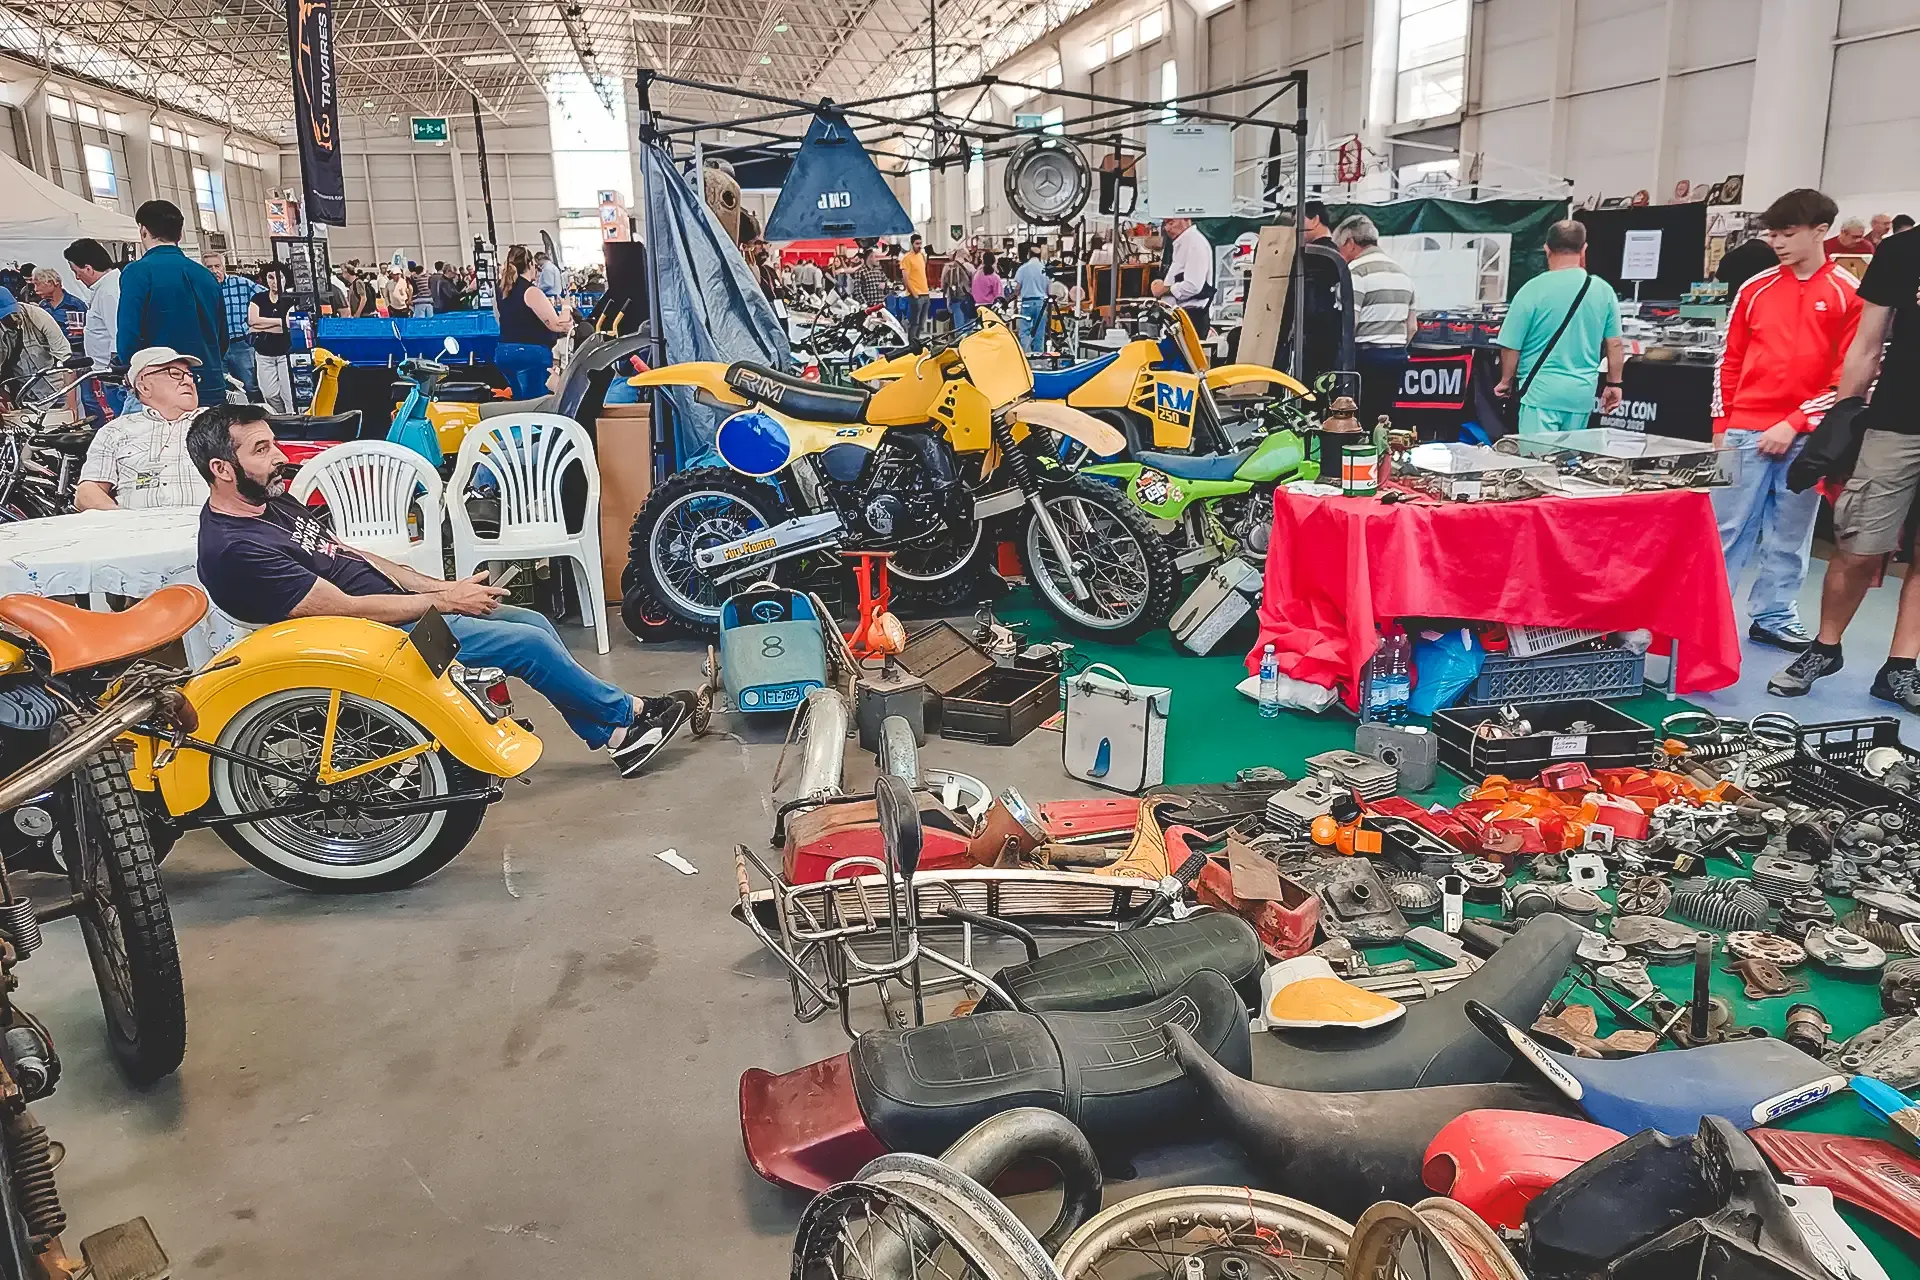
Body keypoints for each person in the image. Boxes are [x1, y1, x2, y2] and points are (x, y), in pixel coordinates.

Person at [187, 404, 692, 774]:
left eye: (273, 443)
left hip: (395, 615)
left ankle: (615, 733)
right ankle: (628, 715)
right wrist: (446, 602)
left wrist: (443, 587)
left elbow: (354, 556)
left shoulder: (269, 502)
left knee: (533, 622)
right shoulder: (235, 547)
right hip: (369, 640)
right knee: (528, 645)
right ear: (221, 470)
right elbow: (348, 609)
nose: (279, 457)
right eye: (261, 450)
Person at [1769, 204, 1920, 707]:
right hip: (1897, 419)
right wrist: (1842, 419)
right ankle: (1825, 646)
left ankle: (1901, 667)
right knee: (1857, 545)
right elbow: (1866, 344)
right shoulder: (1902, 251)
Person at [1710, 188, 1861, 653]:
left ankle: (1774, 615)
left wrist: (1796, 421)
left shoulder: (1848, 292)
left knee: (1790, 531)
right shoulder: (1754, 289)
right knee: (1724, 529)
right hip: (1743, 430)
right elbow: (1728, 360)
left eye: (1788, 233)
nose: (1777, 242)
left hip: (1808, 436)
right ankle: (1708, 617)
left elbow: (1851, 375)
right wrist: (1721, 427)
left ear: (1821, 231)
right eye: (1773, 233)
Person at [1493, 219, 1624, 436]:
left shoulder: (1531, 289)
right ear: (1584, 249)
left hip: (1540, 393)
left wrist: (1506, 381)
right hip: (1581, 395)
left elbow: (1511, 345)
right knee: (1570, 456)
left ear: (1546, 249)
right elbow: (1615, 343)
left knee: (1537, 456)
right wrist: (1614, 384)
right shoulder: (1603, 290)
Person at [116, 200, 225, 406]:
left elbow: (129, 333)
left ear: (143, 231)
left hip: (160, 387)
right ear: (180, 234)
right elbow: (222, 337)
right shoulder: (206, 275)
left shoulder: (137, 272)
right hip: (209, 381)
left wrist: (130, 370)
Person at [76, 346, 208, 511]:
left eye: (190, 375)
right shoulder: (115, 430)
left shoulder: (219, 422)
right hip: (136, 524)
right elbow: (88, 491)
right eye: (175, 374)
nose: (188, 381)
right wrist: (125, 521)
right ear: (144, 388)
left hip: (210, 523)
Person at [493, 245, 572, 399]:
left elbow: (498, 317)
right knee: (536, 402)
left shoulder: (501, 289)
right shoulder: (531, 291)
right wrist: (567, 307)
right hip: (530, 353)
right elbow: (558, 325)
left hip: (504, 351)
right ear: (530, 265)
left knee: (520, 400)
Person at [64, 238, 123, 421]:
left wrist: (115, 370)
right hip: (105, 371)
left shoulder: (109, 291)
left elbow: (117, 333)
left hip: (113, 374)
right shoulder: (104, 288)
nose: (77, 278)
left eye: (77, 272)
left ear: (89, 268)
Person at [1148, 217, 1216, 344]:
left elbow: (1193, 286)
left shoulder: (1194, 243)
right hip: (1178, 318)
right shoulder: (1184, 243)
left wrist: (1164, 289)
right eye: (1165, 223)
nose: (1167, 228)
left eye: (1171, 222)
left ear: (1185, 218)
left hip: (1190, 319)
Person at [206, 251, 261, 402]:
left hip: (241, 344)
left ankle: (258, 411)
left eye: (217, 266)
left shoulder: (241, 284)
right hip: (216, 347)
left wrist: (257, 322)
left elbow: (266, 297)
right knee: (223, 388)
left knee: (250, 385)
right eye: (209, 267)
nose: (214, 271)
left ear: (224, 267)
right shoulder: (202, 288)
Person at [0, 287, 72, 403]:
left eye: (13, 313)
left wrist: (71, 403)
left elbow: (66, 358)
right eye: (4, 316)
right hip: (21, 394)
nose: (11, 318)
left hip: (56, 389)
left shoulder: (38, 315)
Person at [249, 266, 296, 415]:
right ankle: (280, 418)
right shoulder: (258, 298)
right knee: (269, 394)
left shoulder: (291, 299)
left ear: (285, 279)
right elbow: (252, 322)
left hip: (285, 354)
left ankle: (292, 419)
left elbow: (288, 326)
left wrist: (262, 325)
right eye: (270, 277)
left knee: (289, 395)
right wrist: (279, 322)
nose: (275, 281)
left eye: (279, 277)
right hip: (263, 354)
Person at [30, 267, 86, 353]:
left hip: (73, 354)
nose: (35, 289)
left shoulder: (73, 305)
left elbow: (76, 337)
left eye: (37, 284)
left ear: (51, 283)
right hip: (50, 354)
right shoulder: (43, 306)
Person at [1014, 241, 1051, 354]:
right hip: (1041, 304)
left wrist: (1014, 297)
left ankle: (1026, 355)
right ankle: (1038, 357)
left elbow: (1017, 289)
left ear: (1028, 255)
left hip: (1027, 303)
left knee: (1025, 331)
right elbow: (1049, 291)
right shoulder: (1045, 269)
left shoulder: (1023, 268)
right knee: (1039, 332)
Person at [1716, 233, 1782, 295]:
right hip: (1760, 298)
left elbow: (1720, 282)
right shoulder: (1772, 256)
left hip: (1734, 298)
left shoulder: (1729, 256)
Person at [900, 234, 931, 347]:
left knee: (921, 324)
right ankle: (912, 345)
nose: (919, 246)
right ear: (912, 244)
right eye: (917, 244)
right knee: (915, 323)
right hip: (916, 295)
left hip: (925, 293)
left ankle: (916, 344)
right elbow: (905, 278)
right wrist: (914, 294)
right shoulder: (907, 258)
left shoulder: (922, 256)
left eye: (920, 243)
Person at [941, 247, 976, 329]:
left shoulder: (947, 267)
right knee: (969, 326)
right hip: (968, 299)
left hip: (954, 299)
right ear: (965, 255)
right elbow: (976, 284)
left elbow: (943, 285)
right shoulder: (970, 267)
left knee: (959, 327)